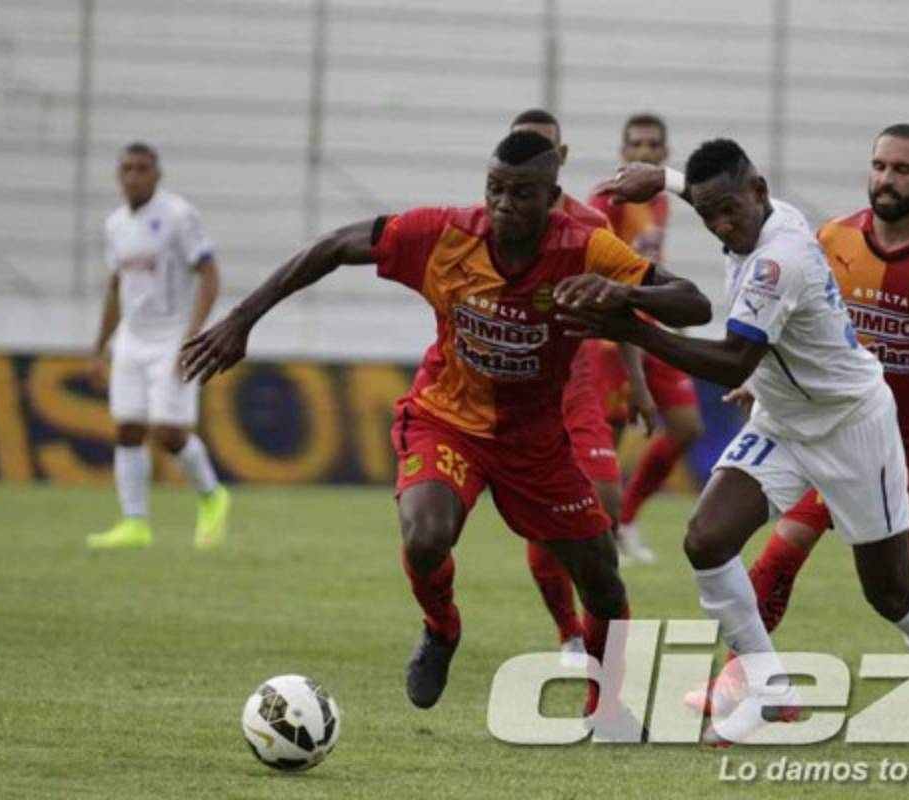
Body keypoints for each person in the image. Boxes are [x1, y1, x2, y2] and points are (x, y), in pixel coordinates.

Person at [179, 131, 712, 720]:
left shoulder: (587, 248)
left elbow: (694, 302)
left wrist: (615, 292)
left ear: (552, 196)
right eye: (495, 189)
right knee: (426, 533)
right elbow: (334, 246)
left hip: (533, 442)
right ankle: (441, 628)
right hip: (446, 419)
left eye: (522, 193)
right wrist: (241, 319)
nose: (505, 204)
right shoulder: (443, 233)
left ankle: (605, 704)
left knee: (603, 579)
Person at [582, 138, 909, 748]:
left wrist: (632, 326)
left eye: (730, 213)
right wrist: (662, 178)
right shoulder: (763, 211)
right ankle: (769, 690)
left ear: (760, 194)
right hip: (784, 421)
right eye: (710, 213)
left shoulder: (780, 261)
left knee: (891, 592)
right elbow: (712, 191)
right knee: (706, 538)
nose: (721, 225)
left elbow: (732, 359)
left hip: (850, 425)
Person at [691, 125, 909, 710]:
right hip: (803, 425)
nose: (886, 178)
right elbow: (793, 319)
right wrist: (763, 377)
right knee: (756, 549)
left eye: (902, 170)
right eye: (879, 165)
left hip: (903, 437)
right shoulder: (831, 236)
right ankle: (749, 683)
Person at [508, 108, 655, 664]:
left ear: (560, 158)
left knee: (604, 501)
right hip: (521, 392)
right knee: (541, 524)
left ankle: (598, 629)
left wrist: (638, 379)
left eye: (544, 150)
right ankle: (569, 634)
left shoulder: (592, 225)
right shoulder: (493, 223)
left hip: (574, 381)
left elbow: (624, 305)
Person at [87, 142, 230, 551]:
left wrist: (194, 336)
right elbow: (116, 287)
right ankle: (134, 523)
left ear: (156, 174)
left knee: (167, 430)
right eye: (127, 169)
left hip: (173, 336)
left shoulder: (178, 216)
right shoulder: (115, 224)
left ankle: (212, 496)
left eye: (142, 169)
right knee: (128, 427)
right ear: (118, 176)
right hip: (132, 338)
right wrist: (101, 347)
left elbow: (210, 274)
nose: (134, 176)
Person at [589, 113, 705, 564]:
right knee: (610, 445)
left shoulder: (659, 202)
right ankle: (604, 537)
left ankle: (628, 518)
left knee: (687, 426)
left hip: (649, 328)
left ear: (665, 155)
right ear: (623, 153)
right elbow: (600, 270)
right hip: (612, 336)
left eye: (652, 145)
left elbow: (648, 265)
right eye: (635, 144)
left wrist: (675, 322)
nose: (643, 151)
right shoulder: (608, 201)